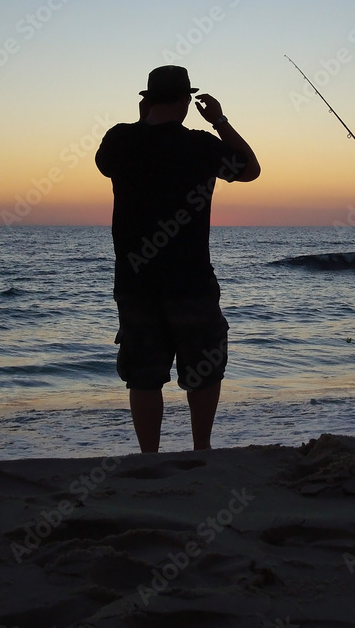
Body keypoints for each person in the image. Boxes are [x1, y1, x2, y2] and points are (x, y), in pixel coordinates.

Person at [95, 65, 260, 452]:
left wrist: (141, 122)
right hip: (191, 280)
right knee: (203, 370)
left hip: (136, 281)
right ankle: (201, 449)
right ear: (187, 102)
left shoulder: (120, 140)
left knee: (144, 376)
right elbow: (250, 169)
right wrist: (219, 120)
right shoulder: (201, 145)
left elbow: (105, 164)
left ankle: (149, 457)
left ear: (147, 99)